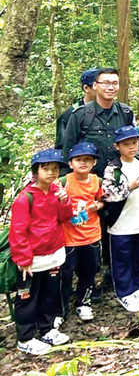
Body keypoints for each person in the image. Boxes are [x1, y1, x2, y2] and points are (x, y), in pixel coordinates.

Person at [10, 149, 74, 355]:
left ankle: (47, 328)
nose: (51, 172)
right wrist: (24, 259)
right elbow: (18, 231)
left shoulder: (57, 192)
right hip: (31, 259)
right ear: (35, 172)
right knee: (28, 298)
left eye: (55, 168)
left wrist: (65, 202)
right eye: (45, 168)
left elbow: (65, 218)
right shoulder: (25, 198)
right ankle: (26, 337)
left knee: (50, 294)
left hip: (54, 253)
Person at [102, 126, 139, 313]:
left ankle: (136, 288)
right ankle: (124, 292)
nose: (131, 147)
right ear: (117, 146)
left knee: (138, 258)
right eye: (126, 144)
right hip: (121, 224)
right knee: (122, 260)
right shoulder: (113, 168)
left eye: (134, 143)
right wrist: (128, 187)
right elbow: (107, 195)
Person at [61, 67, 135, 176]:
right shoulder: (80, 114)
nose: (110, 87)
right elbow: (67, 150)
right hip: (89, 182)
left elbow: (134, 144)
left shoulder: (125, 113)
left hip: (119, 180)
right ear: (95, 85)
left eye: (115, 83)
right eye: (105, 83)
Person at [59, 143, 104, 322]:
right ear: (70, 163)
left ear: (93, 163)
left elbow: (101, 201)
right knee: (65, 274)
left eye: (87, 160)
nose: (82, 163)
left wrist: (96, 206)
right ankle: (61, 309)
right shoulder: (64, 182)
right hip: (68, 237)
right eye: (78, 160)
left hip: (91, 234)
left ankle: (83, 303)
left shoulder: (96, 181)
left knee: (89, 271)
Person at [55, 68, 98, 149]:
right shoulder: (71, 114)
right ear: (86, 88)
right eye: (98, 85)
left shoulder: (116, 110)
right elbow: (62, 147)